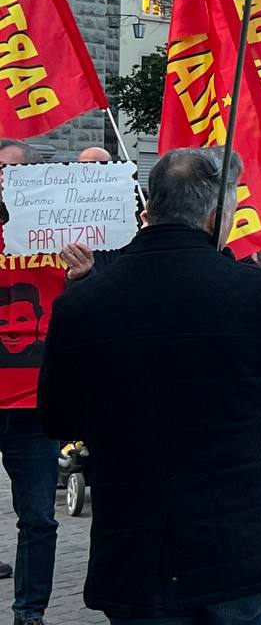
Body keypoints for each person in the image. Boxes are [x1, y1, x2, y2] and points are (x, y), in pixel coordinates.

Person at [37, 147, 261, 625]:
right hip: (237, 545)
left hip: (138, 550)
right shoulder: (254, 292)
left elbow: (59, 417)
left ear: (153, 206)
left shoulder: (84, 302)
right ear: (215, 214)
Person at [0, 139, 64, 614]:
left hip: (33, 408)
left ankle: (31, 613)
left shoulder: (62, 233)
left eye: (17, 172)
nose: (8, 179)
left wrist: (84, 275)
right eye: (2, 170)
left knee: (39, 517)